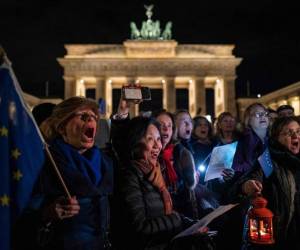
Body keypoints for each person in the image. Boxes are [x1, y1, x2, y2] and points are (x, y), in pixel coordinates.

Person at [13, 97, 113, 250]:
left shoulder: (106, 162)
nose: (91, 121)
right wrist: (47, 214)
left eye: (94, 117)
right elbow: (20, 220)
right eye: (83, 116)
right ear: (61, 128)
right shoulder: (44, 163)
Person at [111, 116, 213, 250]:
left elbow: (163, 213)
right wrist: (177, 220)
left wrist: (194, 225)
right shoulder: (129, 175)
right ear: (135, 141)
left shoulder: (156, 170)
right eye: (150, 139)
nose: (157, 145)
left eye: (158, 139)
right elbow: (140, 228)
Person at [234, 116, 300, 249]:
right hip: (281, 236)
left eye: (298, 131)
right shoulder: (267, 160)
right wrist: (247, 185)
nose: (295, 136)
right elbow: (250, 178)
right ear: (276, 138)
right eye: (288, 133)